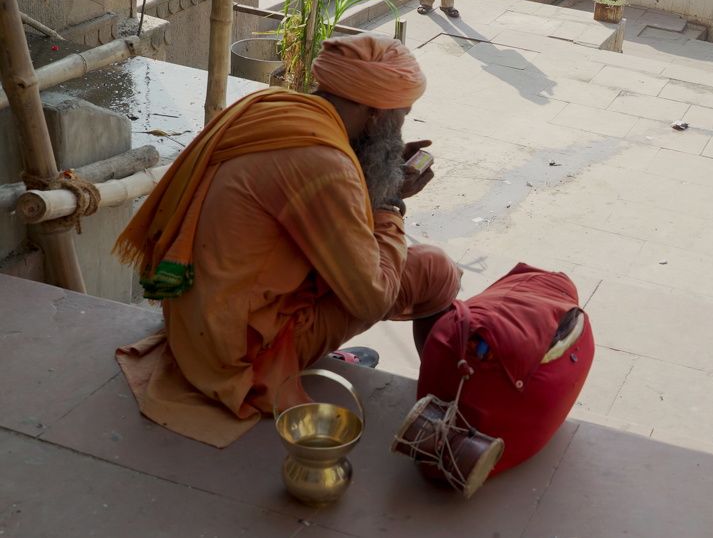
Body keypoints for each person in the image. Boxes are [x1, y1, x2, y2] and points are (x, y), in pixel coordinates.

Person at [113, 34, 462, 447]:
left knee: (377, 253)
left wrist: (373, 174)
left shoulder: (271, 110)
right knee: (434, 268)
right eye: (400, 115)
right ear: (375, 115)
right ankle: (446, 410)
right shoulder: (325, 164)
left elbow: (319, 209)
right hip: (240, 354)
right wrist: (389, 204)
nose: (400, 126)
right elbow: (373, 297)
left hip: (195, 324)